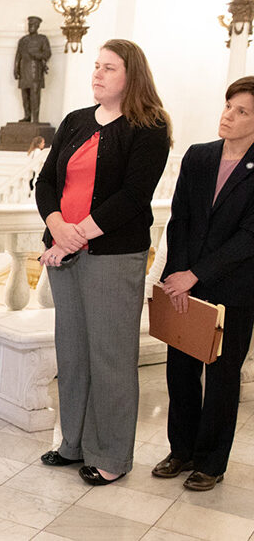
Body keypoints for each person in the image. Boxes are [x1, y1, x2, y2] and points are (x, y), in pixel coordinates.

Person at [36, 39, 171, 486]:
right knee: (72, 354)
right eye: (96, 66)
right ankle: (72, 443)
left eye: (108, 68)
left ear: (131, 76)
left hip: (112, 256)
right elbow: (47, 181)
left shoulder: (149, 127)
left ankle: (111, 454)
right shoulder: (75, 121)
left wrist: (74, 236)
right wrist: (57, 224)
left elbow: (133, 197)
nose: (97, 74)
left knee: (110, 357)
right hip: (64, 251)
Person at [153, 76, 254, 491]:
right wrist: (176, 277)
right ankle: (182, 449)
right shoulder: (198, 156)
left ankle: (211, 462)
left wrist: (197, 273)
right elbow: (180, 222)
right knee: (180, 371)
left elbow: (249, 236)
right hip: (185, 284)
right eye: (229, 105)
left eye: (242, 111)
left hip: (233, 290)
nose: (228, 114)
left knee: (222, 377)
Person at [14, 15, 51, 124]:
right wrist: (16, 69)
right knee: (25, 95)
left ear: (37, 26)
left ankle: (35, 118)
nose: (31, 27)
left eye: (33, 25)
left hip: (36, 71)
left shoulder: (42, 39)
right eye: (29, 25)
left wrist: (37, 55)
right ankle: (27, 116)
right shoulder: (23, 40)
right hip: (24, 70)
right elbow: (18, 56)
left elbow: (47, 54)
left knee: (34, 96)